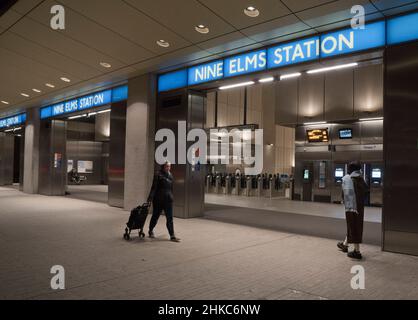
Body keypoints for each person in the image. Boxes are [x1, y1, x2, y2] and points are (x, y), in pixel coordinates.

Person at [337, 161, 368, 259]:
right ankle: (345, 245)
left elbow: (344, 194)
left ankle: (357, 251)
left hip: (351, 208)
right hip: (359, 207)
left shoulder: (348, 179)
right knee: (354, 226)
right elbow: (366, 191)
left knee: (353, 226)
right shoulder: (361, 179)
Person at [147, 161, 180, 242]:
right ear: (163, 166)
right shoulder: (158, 174)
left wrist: (171, 197)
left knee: (170, 218)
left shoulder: (171, 175)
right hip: (158, 200)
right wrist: (150, 198)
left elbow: (171, 188)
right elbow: (153, 187)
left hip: (168, 200)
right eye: (167, 166)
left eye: (169, 166)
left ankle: (172, 235)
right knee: (155, 216)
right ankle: (150, 230)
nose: (168, 168)